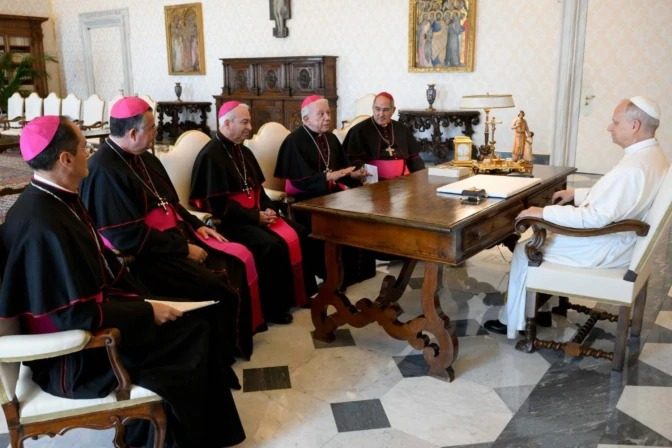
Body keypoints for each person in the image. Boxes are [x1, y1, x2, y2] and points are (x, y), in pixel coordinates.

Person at [0, 116, 245, 447]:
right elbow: (73, 314)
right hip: (73, 359)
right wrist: (147, 311)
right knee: (192, 334)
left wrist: (145, 301)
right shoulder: (43, 225)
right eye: (84, 147)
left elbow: (98, 270)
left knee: (193, 322)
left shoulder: (55, 200)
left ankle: (181, 432)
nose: (91, 152)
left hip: (88, 329)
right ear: (65, 159)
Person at [80, 97, 262, 359]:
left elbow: (172, 203)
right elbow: (126, 236)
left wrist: (197, 226)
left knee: (233, 263)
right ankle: (218, 357)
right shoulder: (104, 171)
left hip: (174, 240)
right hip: (148, 258)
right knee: (217, 285)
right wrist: (184, 249)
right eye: (152, 127)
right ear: (132, 134)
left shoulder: (145, 158)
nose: (157, 132)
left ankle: (229, 347)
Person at [484, 96, 670, 338]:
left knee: (525, 249)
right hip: (621, 238)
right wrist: (577, 194)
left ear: (634, 126)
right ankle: (539, 309)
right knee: (542, 239)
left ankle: (513, 321)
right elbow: (618, 198)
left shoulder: (634, 167)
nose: (609, 127)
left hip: (605, 246)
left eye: (615, 122)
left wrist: (542, 212)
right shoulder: (651, 155)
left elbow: (594, 218)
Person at [190, 101, 318, 324]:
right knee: (270, 246)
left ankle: (300, 294)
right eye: (245, 122)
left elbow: (258, 190)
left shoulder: (244, 151)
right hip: (231, 222)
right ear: (226, 124)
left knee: (300, 231)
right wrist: (254, 217)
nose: (250, 127)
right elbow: (217, 205)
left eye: (249, 122)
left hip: (256, 215)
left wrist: (269, 208)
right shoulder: (211, 156)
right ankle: (274, 309)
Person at [274, 94, 375, 286]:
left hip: (332, 195)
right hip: (307, 201)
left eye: (328, 113)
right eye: (321, 114)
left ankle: (356, 274)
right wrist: (328, 177)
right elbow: (298, 183)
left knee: (363, 213)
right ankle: (334, 277)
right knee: (340, 222)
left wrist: (352, 175)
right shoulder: (294, 141)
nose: (328, 118)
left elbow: (341, 170)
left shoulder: (330, 138)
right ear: (306, 118)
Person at [344, 92, 425, 180]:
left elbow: (414, 157)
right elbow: (352, 159)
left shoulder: (402, 129)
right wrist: (362, 171)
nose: (381, 114)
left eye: (385, 110)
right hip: (373, 183)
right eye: (377, 109)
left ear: (393, 110)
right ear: (373, 108)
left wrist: (421, 176)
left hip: (402, 181)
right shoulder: (359, 130)